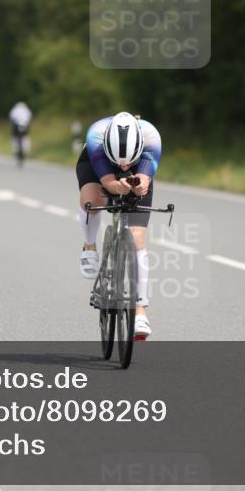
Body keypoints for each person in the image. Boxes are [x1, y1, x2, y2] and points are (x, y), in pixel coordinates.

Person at [76, 112, 162, 339]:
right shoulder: (96, 136)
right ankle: (89, 246)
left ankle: (140, 312)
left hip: (139, 165)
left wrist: (140, 185)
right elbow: (108, 183)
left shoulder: (151, 137)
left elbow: (144, 178)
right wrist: (117, 186)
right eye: (120, 161)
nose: (123, 165)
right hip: (98, 165)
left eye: (127, 161)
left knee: (137, 239)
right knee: (93, 201)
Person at [9, 101, 32, 166]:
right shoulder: (27, 110)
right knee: (25, 137)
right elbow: (29, 118)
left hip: (16, 126)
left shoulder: (14, 110)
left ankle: (15, 150)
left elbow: (11, 118)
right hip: (25, 126)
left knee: (15, 137)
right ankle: (26, 150)